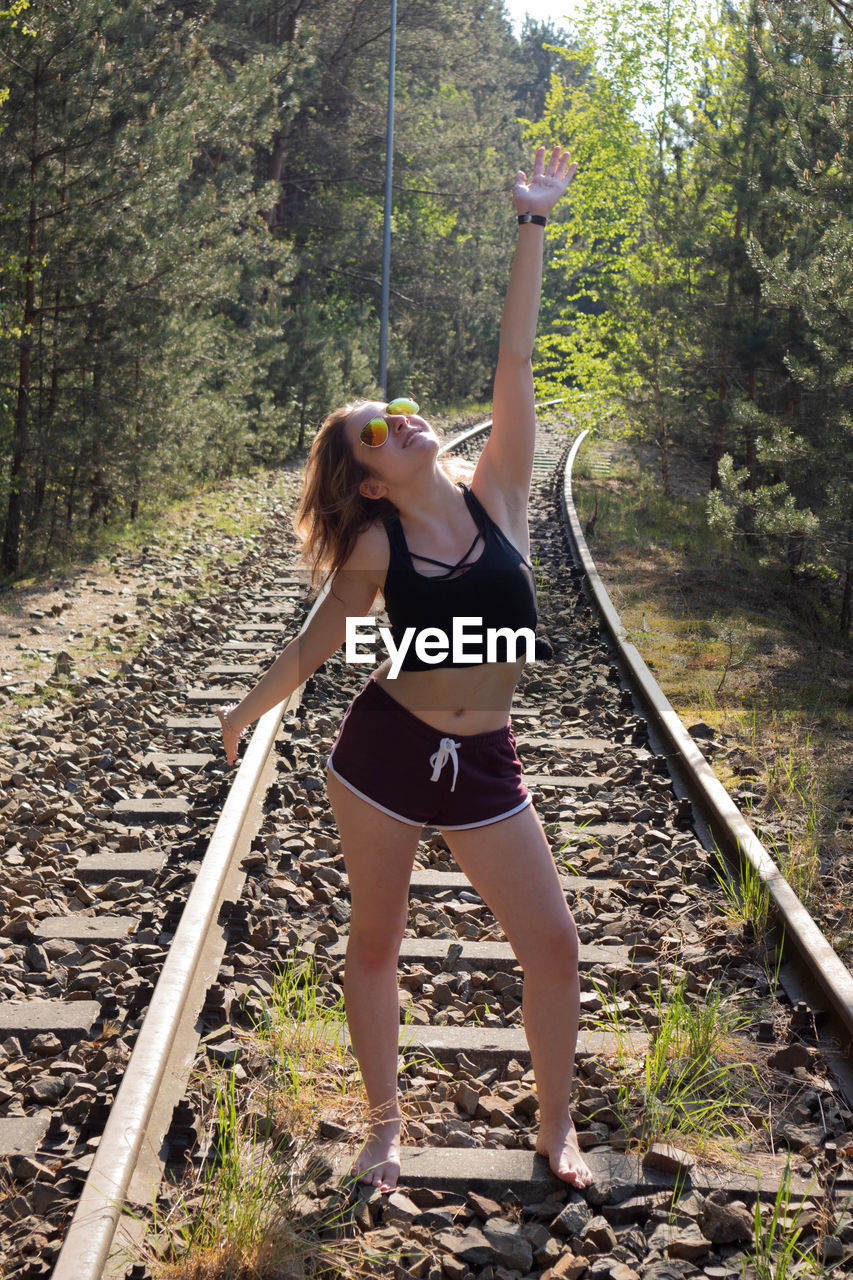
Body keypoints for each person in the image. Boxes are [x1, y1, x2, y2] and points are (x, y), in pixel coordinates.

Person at [217, 145, 593, 1193]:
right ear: (369, 481)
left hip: (483, 759)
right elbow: (318, 644)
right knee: (377, 942)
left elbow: (511, 367)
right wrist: (248, 708)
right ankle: (384, 1130)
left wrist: (532, 222)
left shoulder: (500, 494)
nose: (403, 420)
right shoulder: (377, 548)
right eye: (375, 430)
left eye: (399, 408)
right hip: (385, 751)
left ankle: (556, 1130)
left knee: (554, 943)